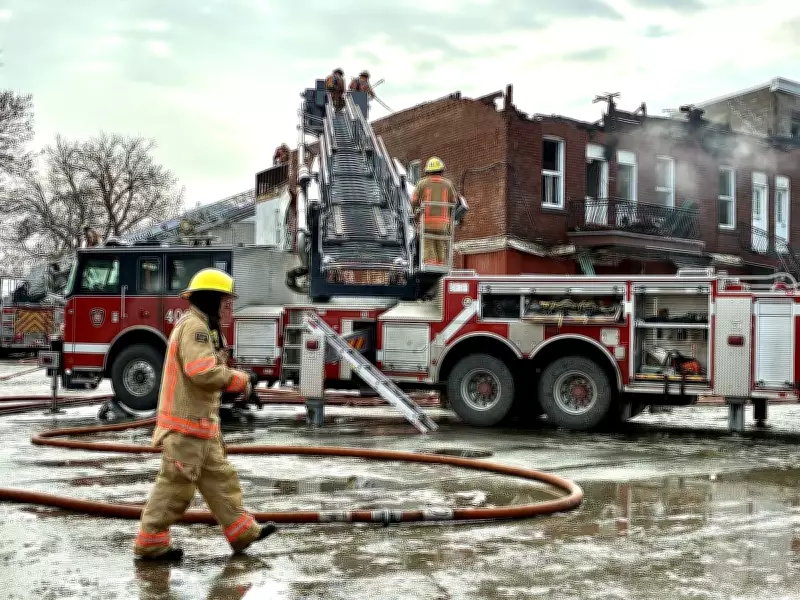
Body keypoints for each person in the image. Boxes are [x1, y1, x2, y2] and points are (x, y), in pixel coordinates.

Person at [134, 268, 277, 561]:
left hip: (202, 427)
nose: (230, 308)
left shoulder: (206, 327)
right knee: (176, 488)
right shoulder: (195, 328)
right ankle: (151, 542)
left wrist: (243, 385)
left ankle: (242, 532)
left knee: (221, 480)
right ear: (212, 300)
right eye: (226, 302)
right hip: (185, 427)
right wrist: (239, 379)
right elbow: (201, 372)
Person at [410, 157, 457, 267]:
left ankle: (431, 267)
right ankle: (439, 266)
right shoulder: (448, 184)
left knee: (428, 245)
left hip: (427, 223)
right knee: (440, 245)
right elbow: (454, 201)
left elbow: (414, 200)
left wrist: (414, 211)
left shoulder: (422, 183)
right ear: (441, 170)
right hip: (443, 225)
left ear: (427, 171)